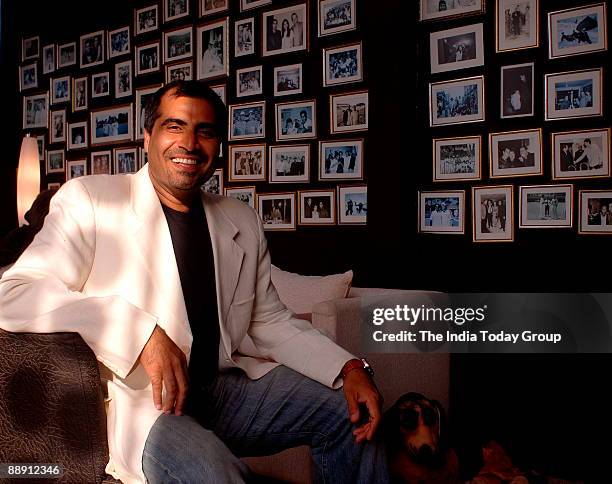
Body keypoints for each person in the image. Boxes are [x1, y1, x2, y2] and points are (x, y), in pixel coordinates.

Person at [0, 80, 387, 484]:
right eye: (174, 126)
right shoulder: (90, 201)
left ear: (217, 145)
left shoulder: (241, 220)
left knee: (351, 409)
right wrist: (140, 332)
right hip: (148, 404)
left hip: (226, 390)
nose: (189, 143)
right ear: (148, 136)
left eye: (204, 131)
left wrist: (347, 366)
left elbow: (269, 322)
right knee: (216, 474)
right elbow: (15, 293)